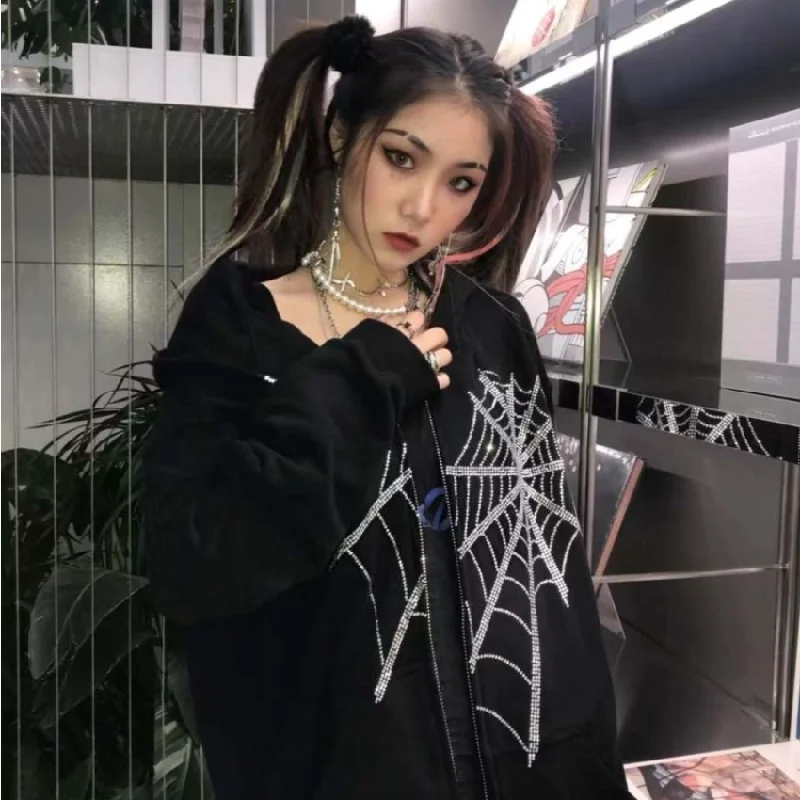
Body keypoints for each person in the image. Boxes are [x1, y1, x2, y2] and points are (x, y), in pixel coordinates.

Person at [142, 15, 633, 800]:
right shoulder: (240, 324)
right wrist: (355, 381)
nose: (423, 208)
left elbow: (554, 582)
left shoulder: (492, 326)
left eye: (461, 182)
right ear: (343, 136)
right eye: (402, 158)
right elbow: (191, 564)